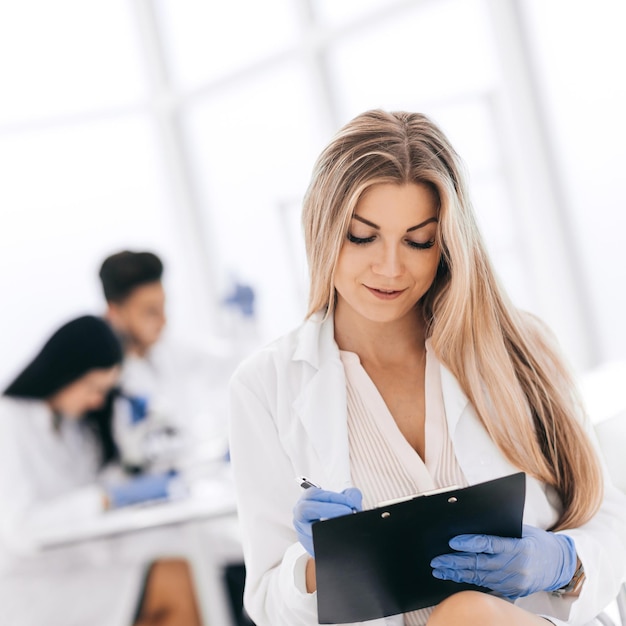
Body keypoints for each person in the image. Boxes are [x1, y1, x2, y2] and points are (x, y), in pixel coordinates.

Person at [228, 110, 626, 626]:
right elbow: (265, 601)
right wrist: (315, 567)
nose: (390, 267)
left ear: (449, 243)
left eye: (418, 240)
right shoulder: (265, 386)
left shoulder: (521, 347)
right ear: (322, 230)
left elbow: (609, 522)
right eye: (361, 236)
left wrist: (561, 563)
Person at [0, 315, 201, 626]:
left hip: (79, 570)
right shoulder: (8, 421)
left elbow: (99, 481)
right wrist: (105, 499)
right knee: (176, 581)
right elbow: (19, 529)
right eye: (93, 388)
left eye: (105, 392)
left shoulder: (71, 426)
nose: (97, 401)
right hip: (32, 586)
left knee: (183, 570)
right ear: (64, 373)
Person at [99, 250, 231, 473]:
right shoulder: (99, 378)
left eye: (163, 307)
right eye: (150, 312)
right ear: (115, 312)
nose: (163, 320)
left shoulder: (170, 350)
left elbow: (233, 367)